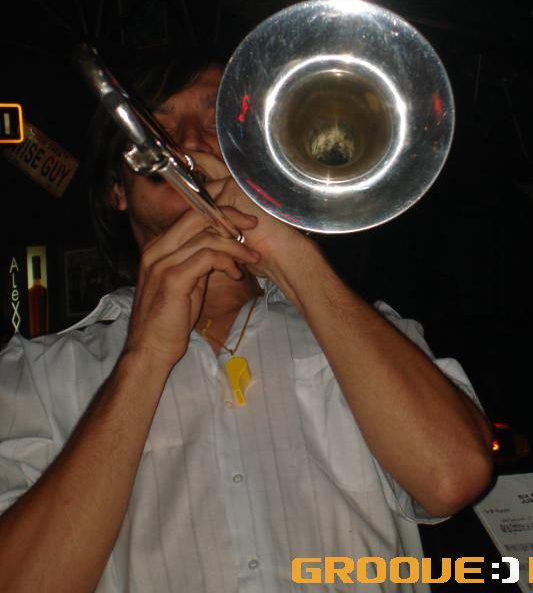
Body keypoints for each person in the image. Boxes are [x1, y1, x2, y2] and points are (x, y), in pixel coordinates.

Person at [0, 48, 493, 592]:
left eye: (216, 123)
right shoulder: (37, 375)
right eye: (157, 132)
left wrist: (292, 254)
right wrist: (142, 359)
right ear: (118, 188)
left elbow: (454, 477)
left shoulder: (363, 331)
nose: (189, 144)